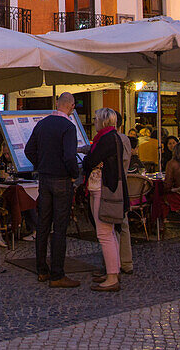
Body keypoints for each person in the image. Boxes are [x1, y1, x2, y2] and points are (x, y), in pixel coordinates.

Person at [23, 92, 80, 288]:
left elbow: (28, 150)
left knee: (43, 225)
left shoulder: (42, 124)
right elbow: (70, 156)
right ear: (71, 106)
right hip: (62, 181)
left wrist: (42, 164)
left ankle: (41, 270)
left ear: (57, 104)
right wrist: (74, 174)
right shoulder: (68, 127)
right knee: (60, 228)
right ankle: (57, 273)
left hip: (44, 180)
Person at [82, 107, 128, 292]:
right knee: (109, 233)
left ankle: (111, 278)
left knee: (104, 234)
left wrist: (89, 160)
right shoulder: (112, 136)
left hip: (103, 189)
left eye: (96, 119)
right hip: (107, 188)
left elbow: (91, 161)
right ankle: (113, 271)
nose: (94, 122)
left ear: (103, 121)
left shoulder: (106, 139)